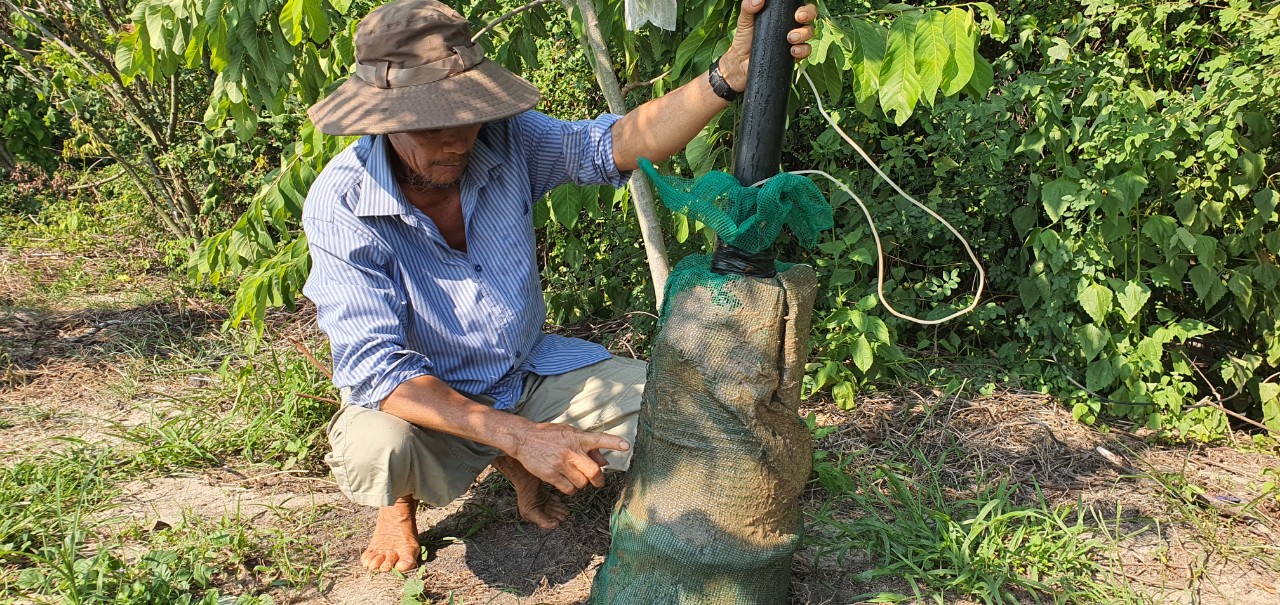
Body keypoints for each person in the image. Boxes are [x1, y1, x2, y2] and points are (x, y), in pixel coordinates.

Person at [301, 0, 816, 573]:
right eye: (433, 125)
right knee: (378, 447)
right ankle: (397, 508)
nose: (459, 141)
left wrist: (727, 78)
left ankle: (508, 450)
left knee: (694, 415)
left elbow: (617, 143)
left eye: (466, 116)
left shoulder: (504, 138)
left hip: (525, 372)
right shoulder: (342, 203)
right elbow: (376, 368)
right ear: (382, 120)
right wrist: (521, 438)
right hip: (427, 407)